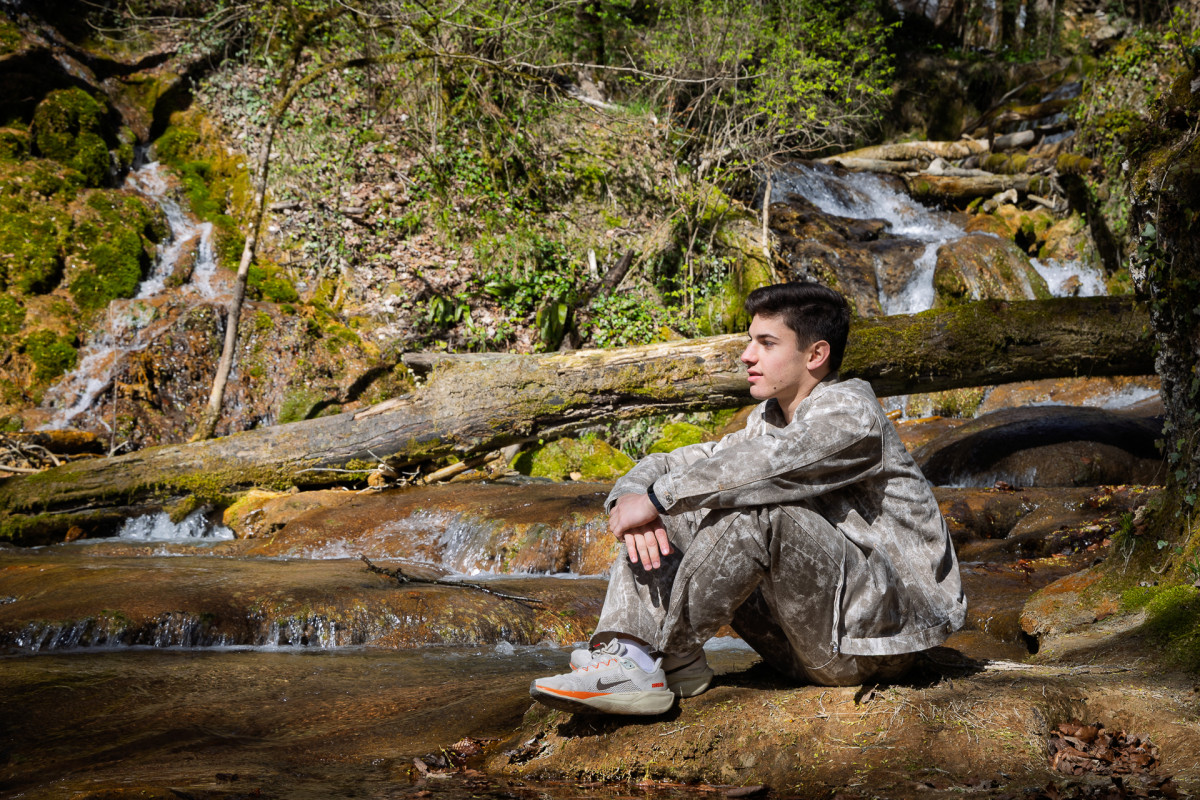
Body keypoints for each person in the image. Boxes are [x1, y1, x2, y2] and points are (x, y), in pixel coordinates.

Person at [529, 282, 966, 716]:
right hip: (799, 640)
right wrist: (632, 496)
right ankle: (646, 657)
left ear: (815, 355)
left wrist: (660, 498)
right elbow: (678, 461)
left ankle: (651, 656)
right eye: (750, 340)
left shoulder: (852, 415)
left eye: (766, 343)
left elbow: (764, 467)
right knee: (676, 509)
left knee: (753, 503)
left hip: (878, 644)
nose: (746, 355)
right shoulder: (769, 419)